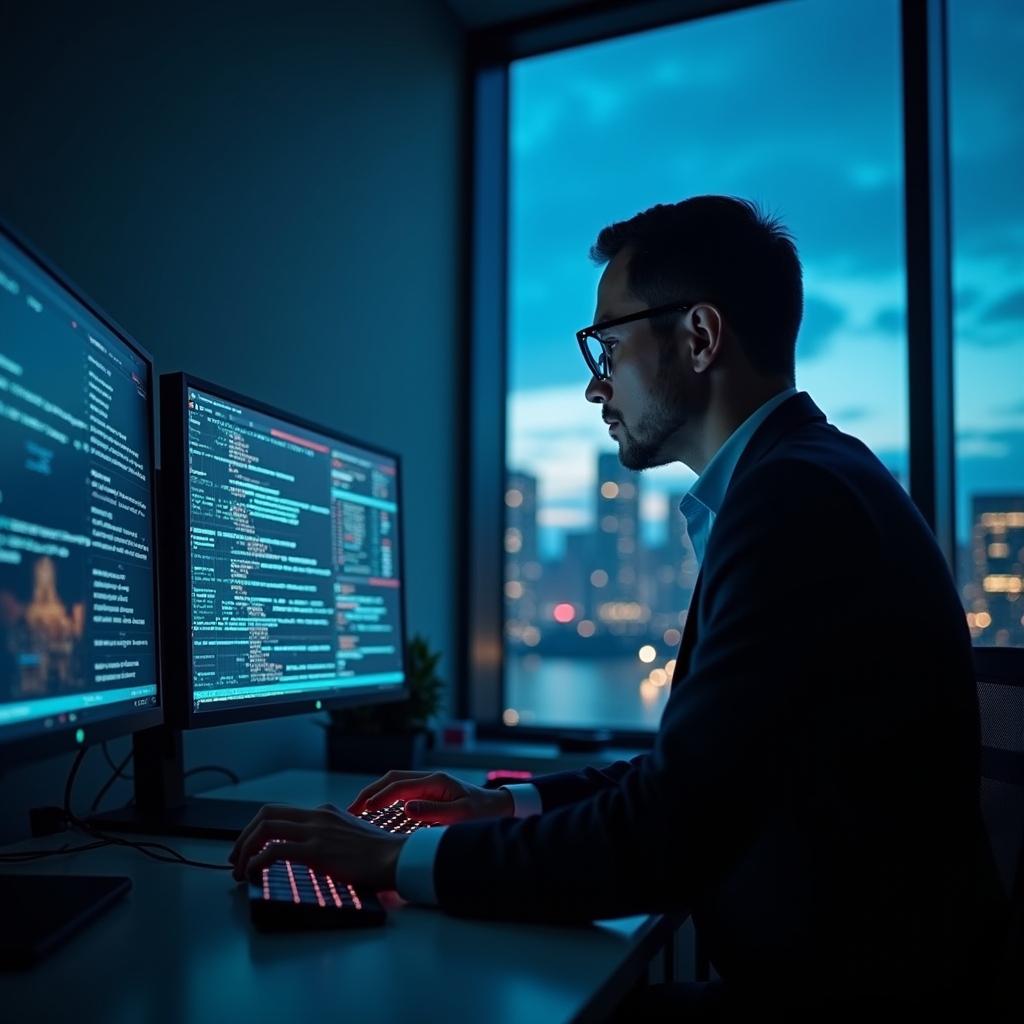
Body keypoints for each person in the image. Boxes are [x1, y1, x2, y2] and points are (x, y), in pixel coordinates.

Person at [230, 196, 1006, 1018]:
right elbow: (703, 770)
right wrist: (506, 803)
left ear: (700, 337)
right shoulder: (804, 480)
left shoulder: (794, 503)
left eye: (609, 342)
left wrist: (394, 863)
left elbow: (665, 831)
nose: (596, 384)